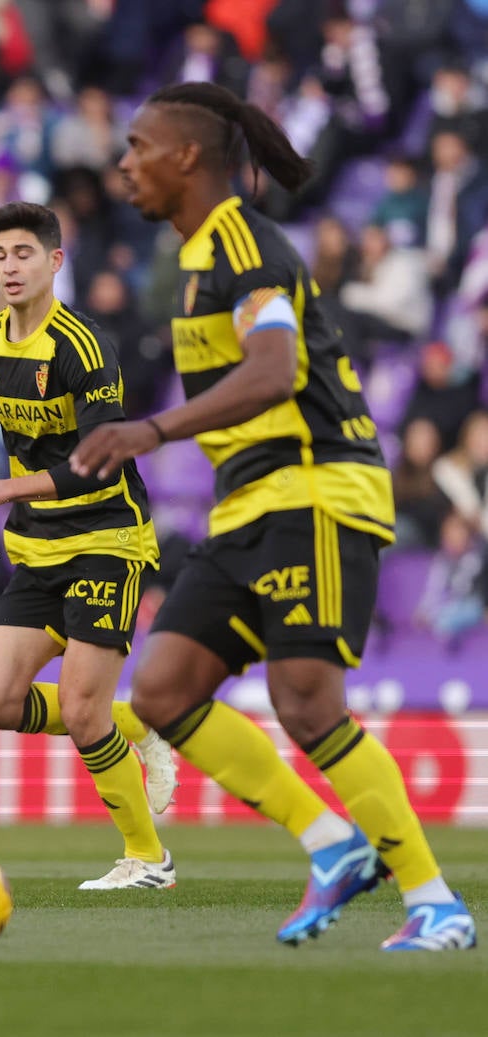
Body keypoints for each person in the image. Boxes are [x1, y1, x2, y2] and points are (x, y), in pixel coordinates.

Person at [70, 81, 476, 951]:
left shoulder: (245, 245)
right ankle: (332, 844)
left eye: (138, 146)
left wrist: (151, 428)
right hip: (251, 499)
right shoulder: (196, 258)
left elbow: (276, 368)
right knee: (167, 691)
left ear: (186, 157)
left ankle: (435, 901)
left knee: (306, 701)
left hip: (318, 489)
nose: (125, 163)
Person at [0, 202, 179, 890]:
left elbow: (100, 458)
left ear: (54, 262)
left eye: (24, 254)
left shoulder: (84, 348)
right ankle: (142, 727)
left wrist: (1, 491)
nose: (10, 266)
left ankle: (148, 859)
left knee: (83, 705)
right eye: (1, 254)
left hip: (106, 539)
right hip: (37, 548)